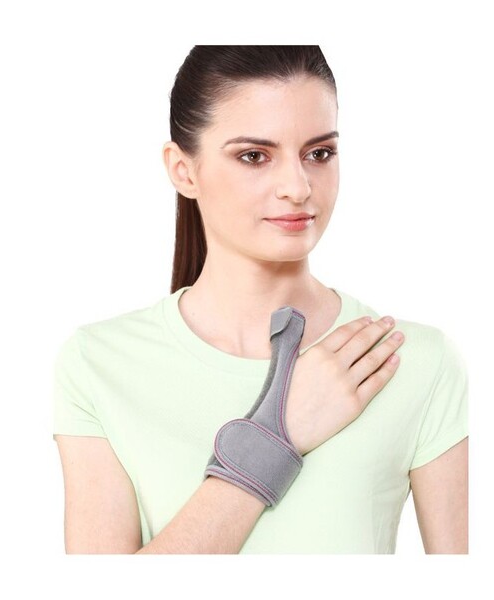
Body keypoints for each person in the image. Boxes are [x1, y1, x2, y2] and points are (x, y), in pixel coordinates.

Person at [52, 45, 468, 554]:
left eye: (319, 153)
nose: (297, 187)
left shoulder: (412, 362)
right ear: (183, 170)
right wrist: (276, 434)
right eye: (254, 156)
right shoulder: (99, 363)